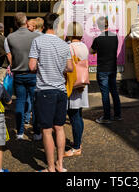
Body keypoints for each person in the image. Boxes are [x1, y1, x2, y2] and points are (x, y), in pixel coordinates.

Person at [29, 13, 73, 172]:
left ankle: (50, 168)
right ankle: (60, 165)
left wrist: (43, 63)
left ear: (44, 25)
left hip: (45, 90)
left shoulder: (37, 41)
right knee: (60, 128)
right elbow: (70, 68)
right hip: (61, 90)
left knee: (46, 130)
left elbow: (32, 66)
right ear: (56, 26)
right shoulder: (64, 44)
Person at [5, 12, 40, 140]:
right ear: (26, 22)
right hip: (33, 73)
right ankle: (36, 132)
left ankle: (19, 132)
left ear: (15, 23)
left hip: (19, 74)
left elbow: (11, 56)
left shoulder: (10, 37)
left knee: (19, 102)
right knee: (35, 104)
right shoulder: (36, 36)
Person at [64, 22, 89, 157]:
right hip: (82, 82)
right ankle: (78, 141)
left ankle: (77, 146)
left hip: (73, 83)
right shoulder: (84, 46)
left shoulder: (69, 47)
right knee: (78, 114)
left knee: (74, 115)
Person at [90, 16, 122, 124]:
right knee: (114, 92)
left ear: (99, 26)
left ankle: (107, 117)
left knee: (105, 93)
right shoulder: (115, 37)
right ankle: (118, 115)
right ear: (108, 24)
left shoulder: (98, 39)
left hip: (102, 69)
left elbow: (91, 51)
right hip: (112, 67)